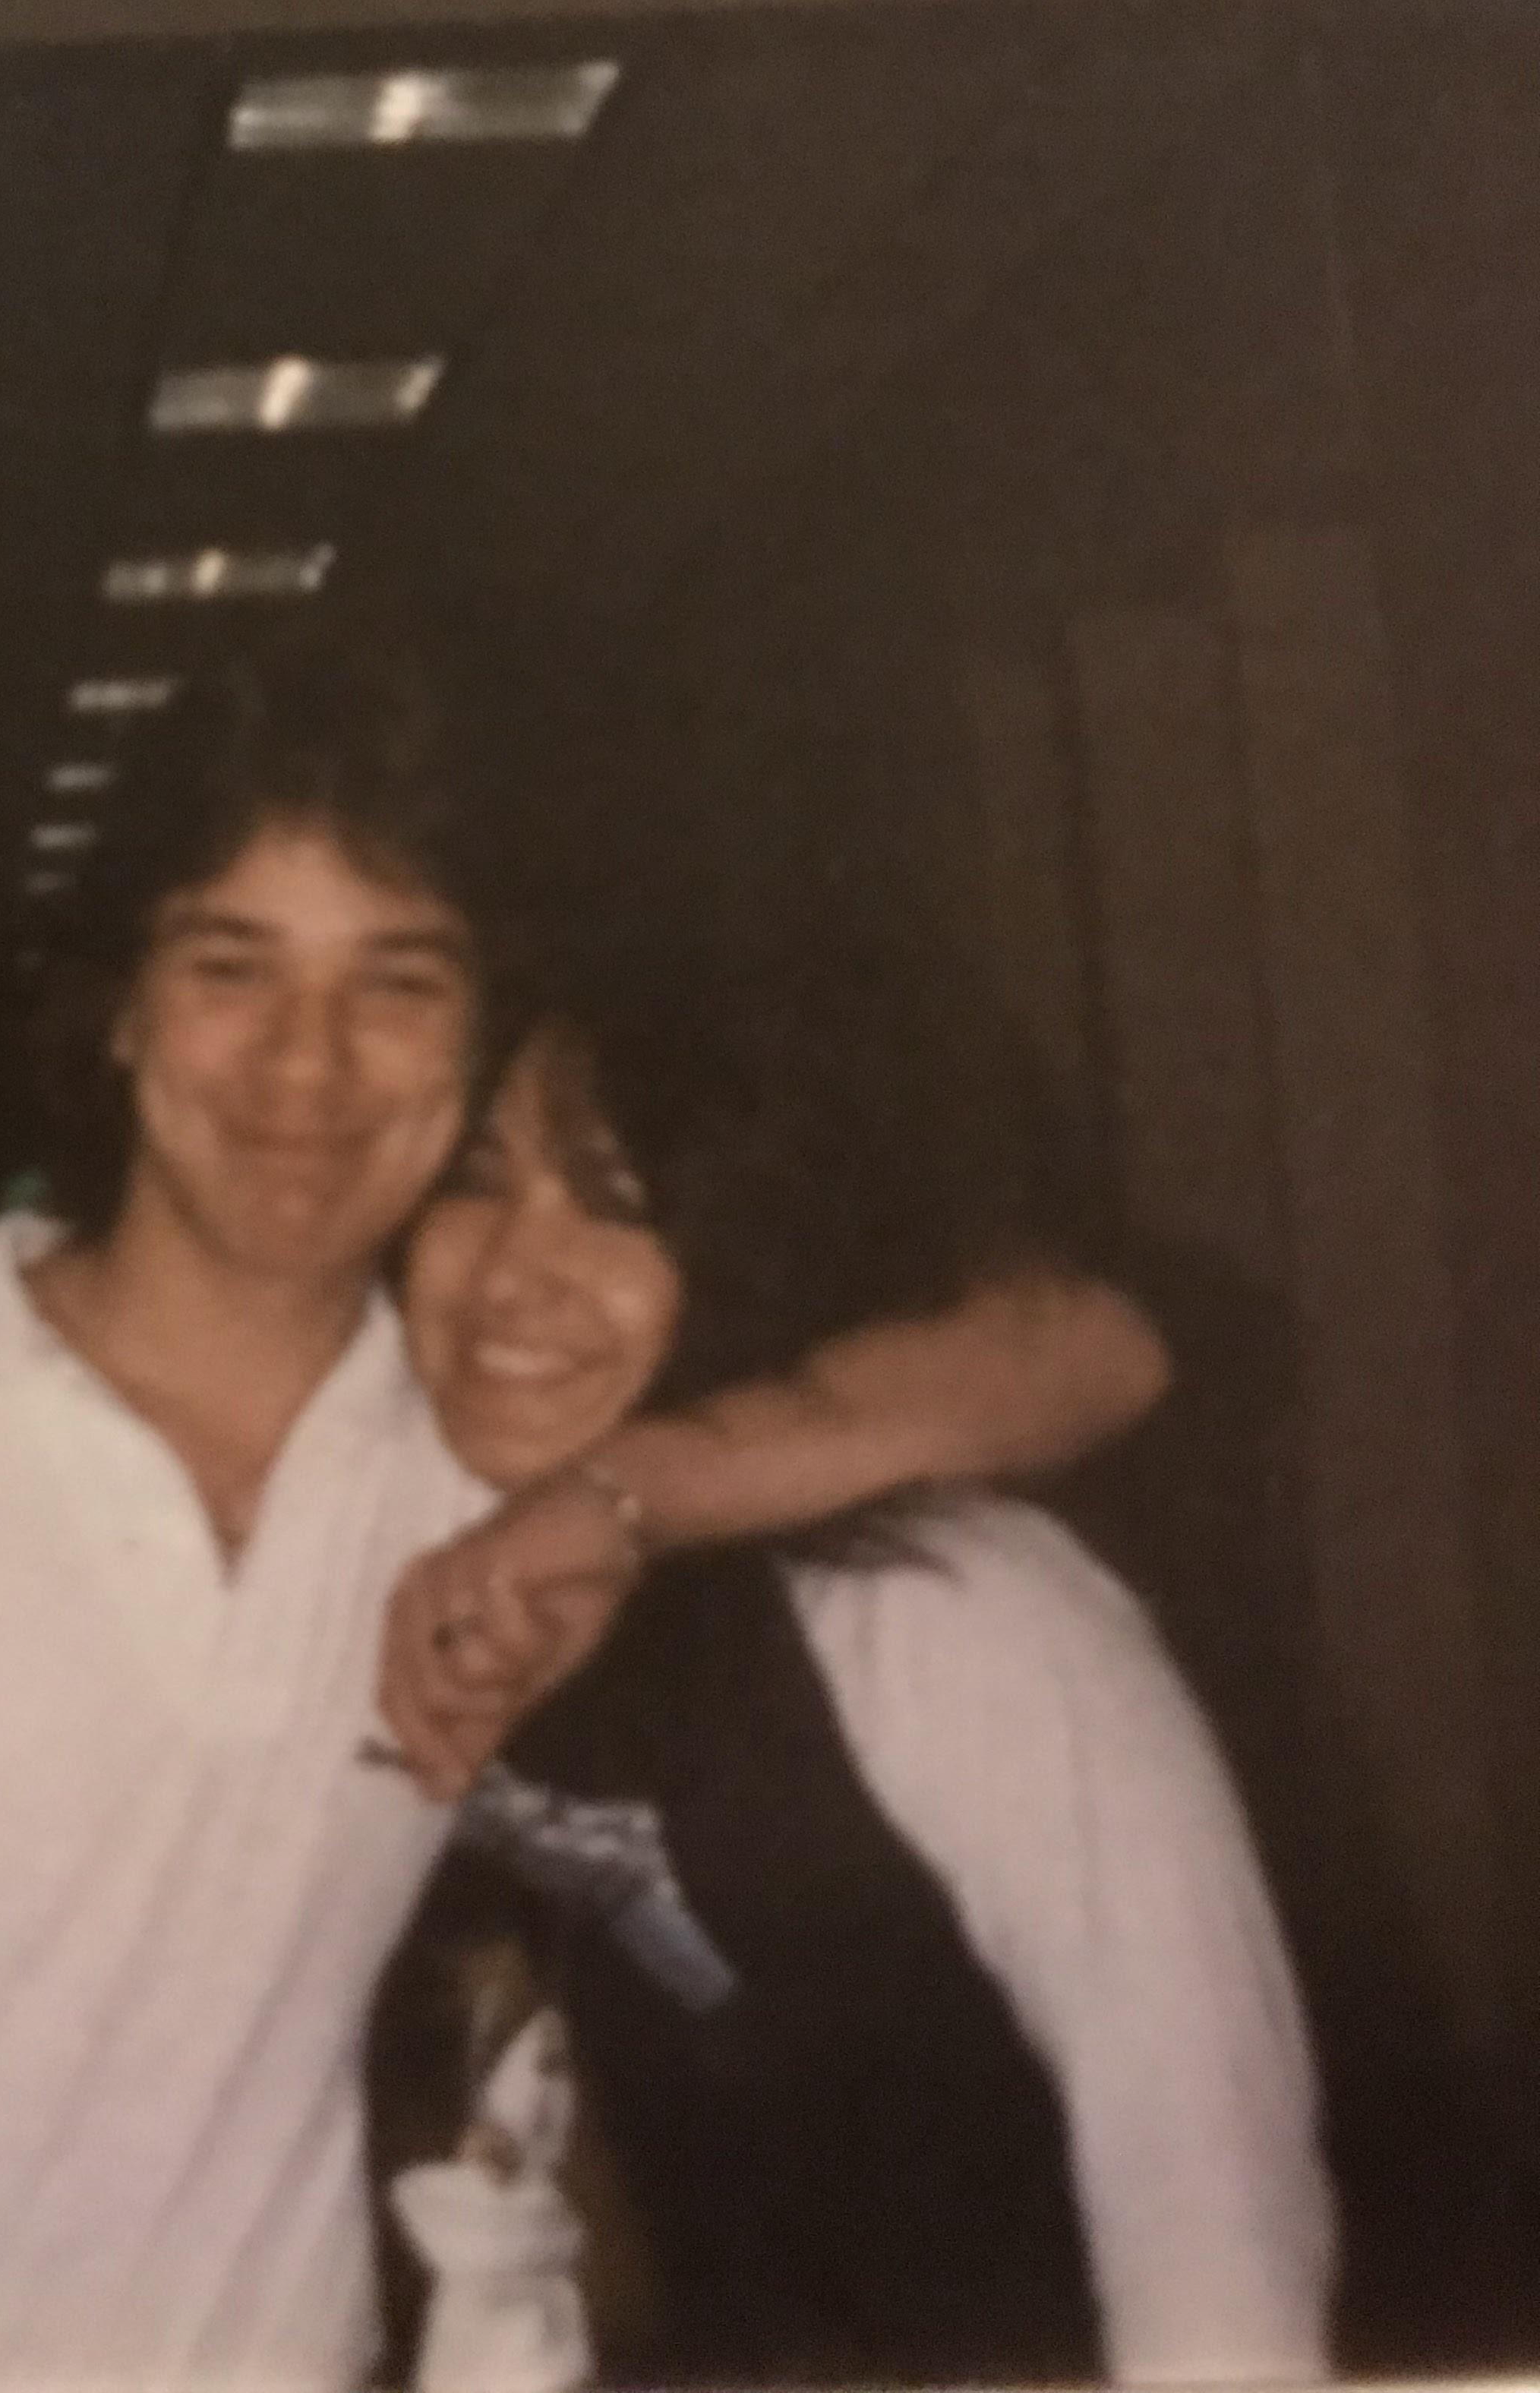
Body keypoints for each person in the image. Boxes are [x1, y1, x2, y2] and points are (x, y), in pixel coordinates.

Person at [0, 651, 1163, 2393]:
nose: (308, 1066)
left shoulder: (496, 1448)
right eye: (231, 967)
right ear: (122, 1003)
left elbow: (1098, 1352)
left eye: (397, 983)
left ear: (475, 1038)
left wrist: (615, 1504)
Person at [372, 928, 1337, 2387]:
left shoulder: (954, 1612)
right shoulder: (411, 1535)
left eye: (621, 1204)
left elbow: (1208, 2193)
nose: (515, 1268)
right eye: (480, 1178)